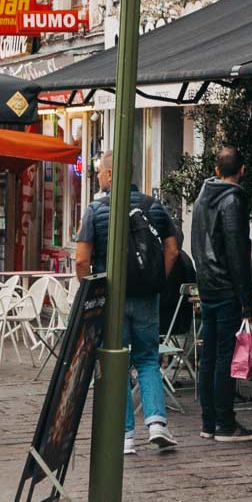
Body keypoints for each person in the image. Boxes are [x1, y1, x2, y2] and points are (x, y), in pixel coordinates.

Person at [74, 151, 181, 454]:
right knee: (148, 359)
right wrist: (156, 280)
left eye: (99, 172)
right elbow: (172, 250)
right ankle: (157, 423)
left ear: (109, 175)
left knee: (115, 360)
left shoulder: (94, 211)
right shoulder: (154, 206)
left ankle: (125, 437)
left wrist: (91, 292)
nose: (97, 177)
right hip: (146, 296)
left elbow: (82, 259)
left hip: (111, 297)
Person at [189, 144, 252, 443]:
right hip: (227, 288)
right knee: (223, 356)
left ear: (216, 170)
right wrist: (246, 299)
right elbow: (237, 252)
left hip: (207, 285)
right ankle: (224, 422)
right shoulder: (232, 201)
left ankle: (209, 421)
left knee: (209, 357)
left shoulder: (203, 197)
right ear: (242, 170)